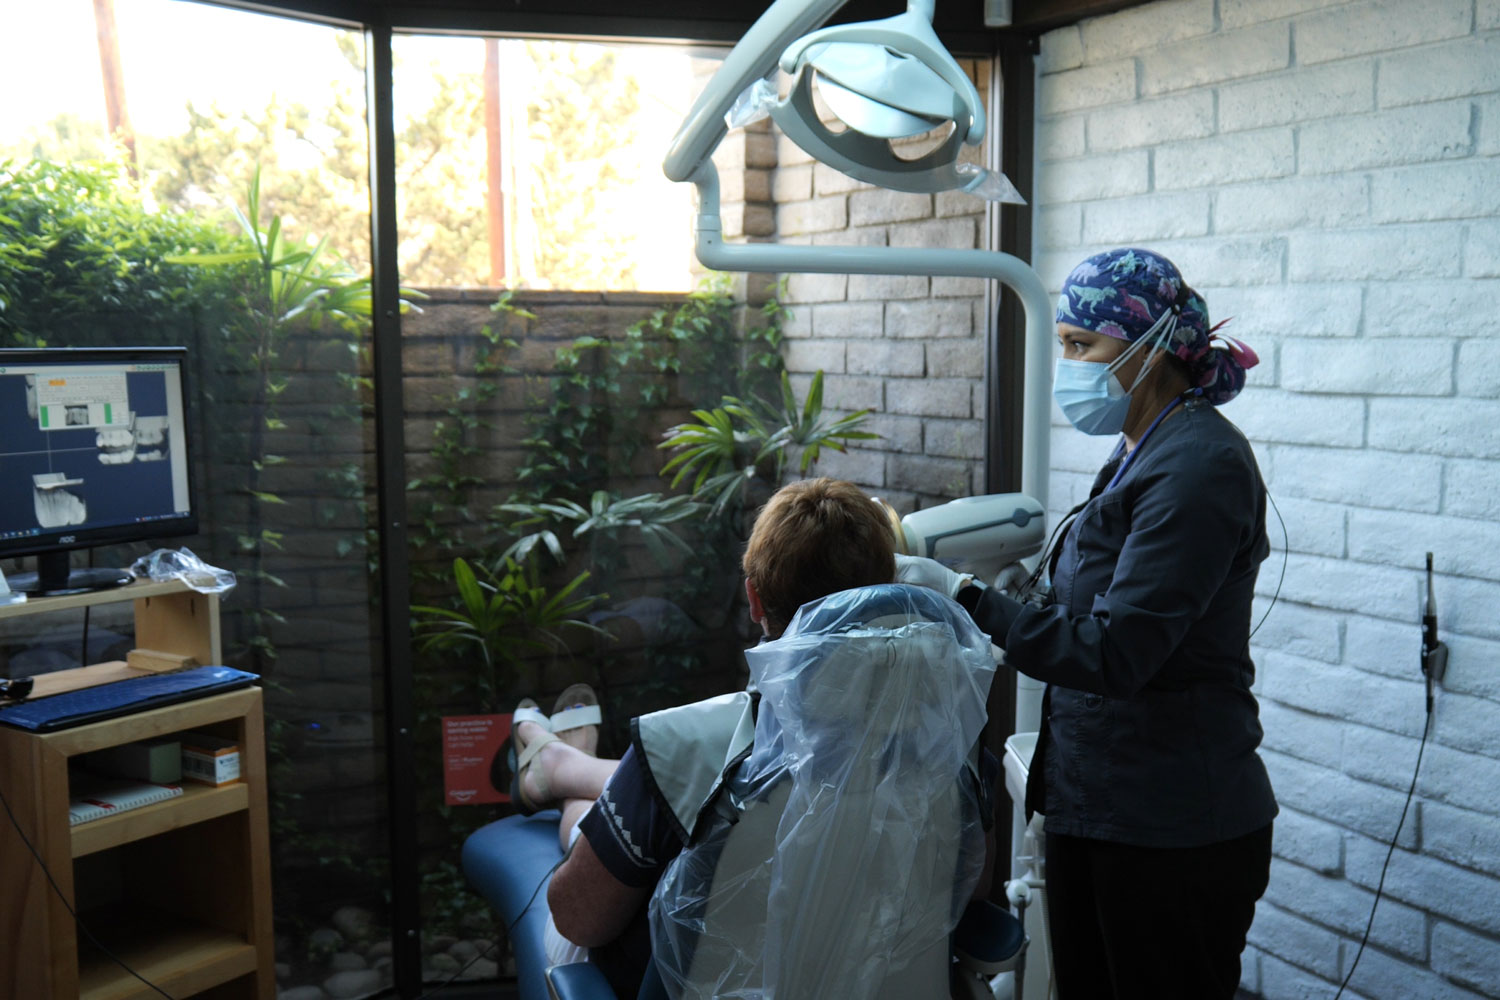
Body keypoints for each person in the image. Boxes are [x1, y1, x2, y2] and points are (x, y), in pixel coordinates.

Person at [899, 247, 1278, 1000]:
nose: (1067, 364)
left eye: (1082, 346)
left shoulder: (1199, 466)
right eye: (1064, 343)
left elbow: (1118, 653)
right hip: (1103, 808)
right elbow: (1090, 606)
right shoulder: (1142, 446)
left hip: (1169, 826)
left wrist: (970, 598)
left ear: (1148, 349)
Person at [509, 477, 996, 998]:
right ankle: (562, 763)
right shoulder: (952, 750)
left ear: (754, 598)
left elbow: (578, 920)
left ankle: (557, 766)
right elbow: (968, 890)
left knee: (605, 828)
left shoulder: (685, 745)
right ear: (886, 587)